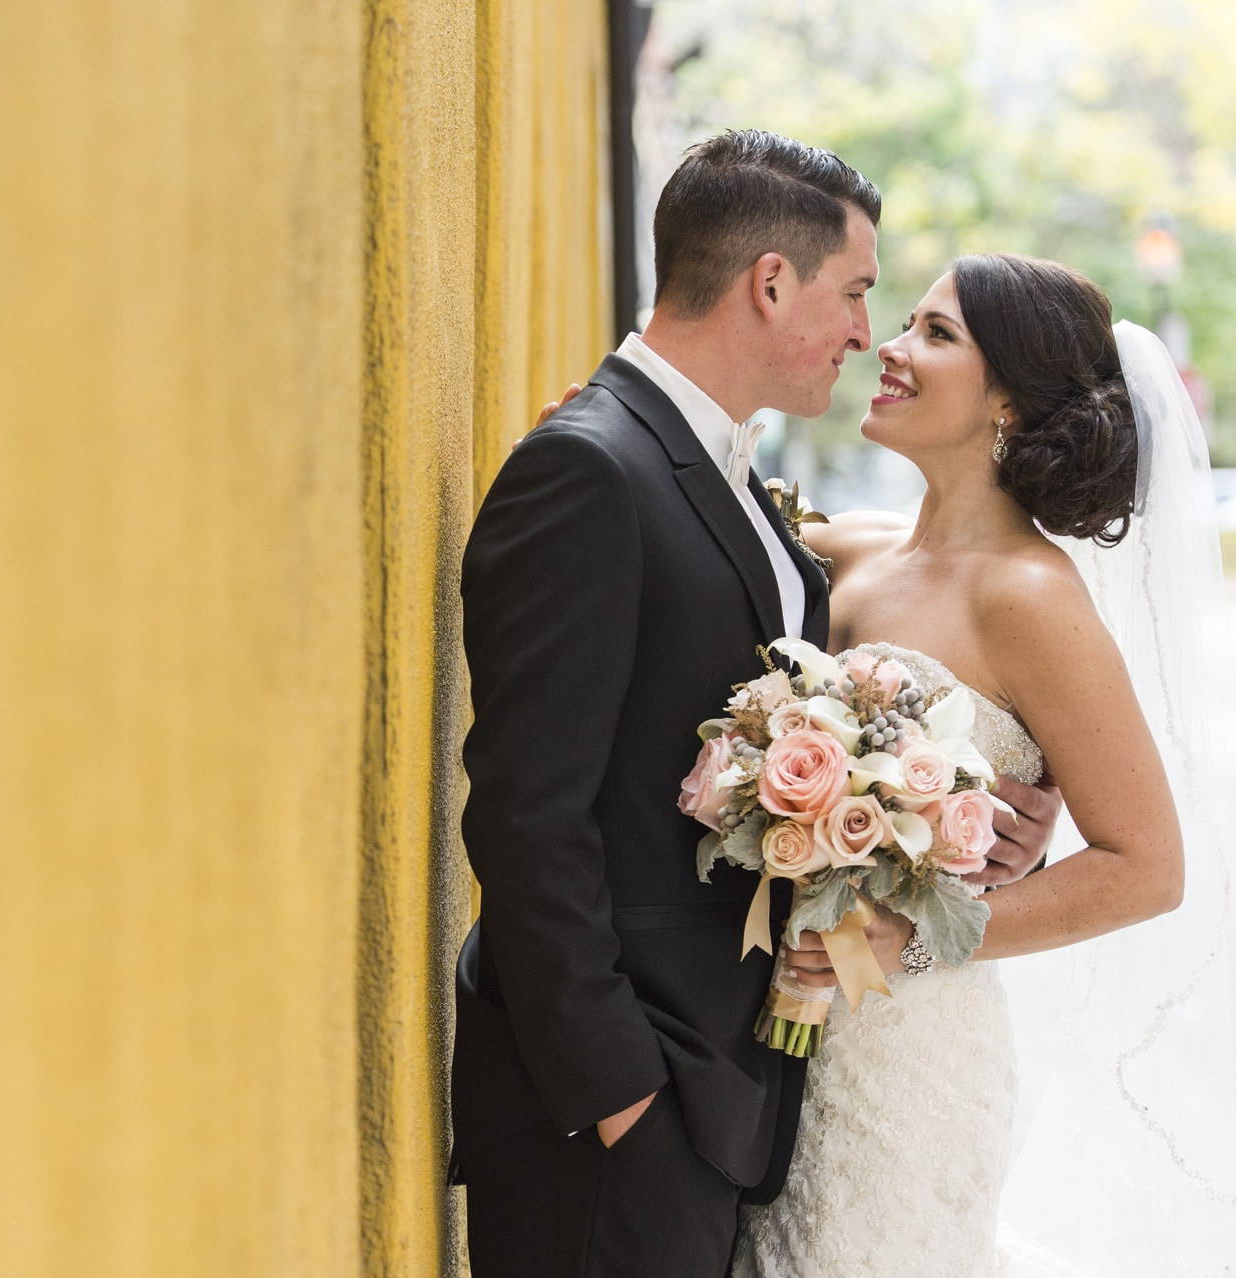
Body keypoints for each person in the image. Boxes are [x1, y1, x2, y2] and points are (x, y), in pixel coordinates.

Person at [445, 130, 1065, 1277]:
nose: (863, 335)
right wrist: (621, 1098)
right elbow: (526, 820)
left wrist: (976, 808)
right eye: (857, 294)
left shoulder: (715, 473)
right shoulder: (591, 466)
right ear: (770, 283)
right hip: (614, 1110)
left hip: (726, 1103)